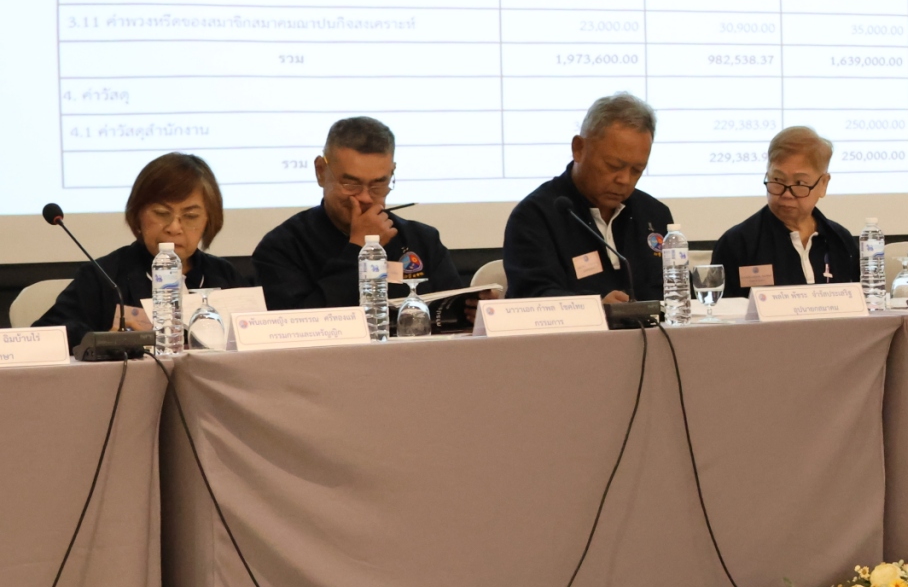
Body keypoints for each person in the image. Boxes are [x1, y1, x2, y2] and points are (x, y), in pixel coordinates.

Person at [253, 116, 464, 310]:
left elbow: (451, 313)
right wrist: (361, 249)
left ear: (391, 173)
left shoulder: (422, 240)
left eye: (378, 184)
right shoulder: (282, 248)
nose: (365, 198)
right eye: (351, 184)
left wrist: (470, 310)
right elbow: (302, 325)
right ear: (320, 171)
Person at [36, 152, 245, 348]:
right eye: (161, 213)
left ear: (209, 221)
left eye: (190, 216)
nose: (174, 228)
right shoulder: (103, 277)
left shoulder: (224, 276)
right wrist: (103, 341)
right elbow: (46, 335)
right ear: (138, 215)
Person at [502, 92, 675, 302]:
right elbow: (533, 298)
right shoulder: (534, 217)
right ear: (579, 148)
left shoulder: (654, 215)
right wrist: (596, 308)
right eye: (613, 166)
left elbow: (679, 295)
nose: (624, 180)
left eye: (637, 170)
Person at [711, 126, 859, 291]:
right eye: (777, 180)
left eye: (800, 183)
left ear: (823, 184)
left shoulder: (840, 241)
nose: (787, 194)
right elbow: (720, 306)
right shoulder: (737, 244)